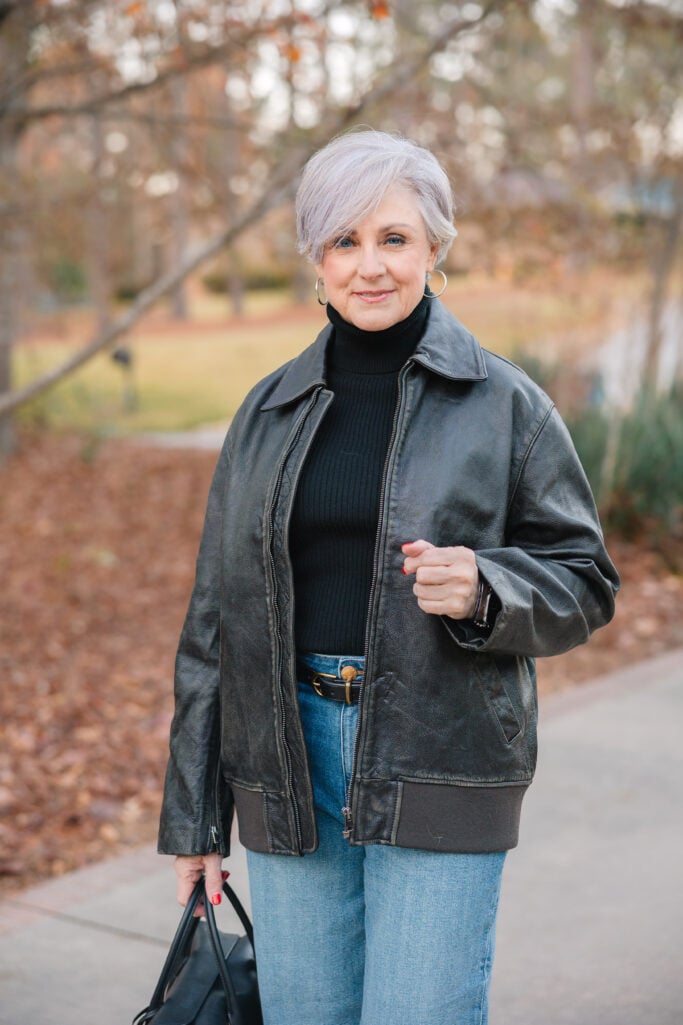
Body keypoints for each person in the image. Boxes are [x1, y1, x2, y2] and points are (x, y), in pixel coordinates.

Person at [158, 128, 619, 1025]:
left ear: (434, 248)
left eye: (393, 238)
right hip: (287, 764)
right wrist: (196, 819)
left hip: (439, 753)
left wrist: (487, 589)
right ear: (316, 260)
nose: (370, 266)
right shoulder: (267, 408)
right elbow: (215, 621)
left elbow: (585, 580)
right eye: (344, 240)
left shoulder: (505, 402)